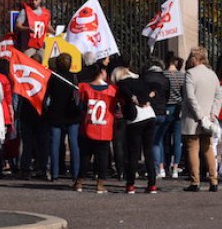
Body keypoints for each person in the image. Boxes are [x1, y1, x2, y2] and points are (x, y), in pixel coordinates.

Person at [181, 46, 222, 192]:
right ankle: (213, 180)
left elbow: (190, 96)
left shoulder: (190, 74)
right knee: (208, 148)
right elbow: (219, 96)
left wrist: (200, 116)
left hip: (193, 118)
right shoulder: (212, 74)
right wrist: (213, 113)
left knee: (192, 148)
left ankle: (195, 181)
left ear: (194, 58)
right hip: (209, 117)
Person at [114, 65, 158, 193]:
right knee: (148, 151)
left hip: (136, 118)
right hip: (150, 114)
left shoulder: (123, 84)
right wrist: (147, 99)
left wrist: (134, 100)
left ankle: (130, 184)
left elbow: (127, 95)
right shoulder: (140, 80)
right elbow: (154, 90)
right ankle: (152, 184)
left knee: (133, 152)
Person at [77, 64, 120, 193]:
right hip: (105, 128)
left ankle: (79, 182)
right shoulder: (113, 90)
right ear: (102, 72)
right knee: (102, 157)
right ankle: (100, 184)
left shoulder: (84, 88)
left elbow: (80, 104)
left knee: (85, 156)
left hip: (89, 126)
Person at [45, 53, 83, 183]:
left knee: (54, 144)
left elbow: (47, 97)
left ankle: (55, 173)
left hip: (56, 113)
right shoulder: (74, 77)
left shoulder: (53, 78)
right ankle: (76, 173)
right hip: (72, 114)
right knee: (74, 144)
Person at [141, 59, 172, 182]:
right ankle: (161, 167)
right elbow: (168, 96)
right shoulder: (165, 79)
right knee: (158, 141)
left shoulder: (145, 78)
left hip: (150, 112)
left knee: (151, 142)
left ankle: (154, 168)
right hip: (163, 112)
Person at [163, 54, 185, 181]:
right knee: (177, 139)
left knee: (165, 138)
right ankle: (176, 167)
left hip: (167, 107)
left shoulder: (164, 75)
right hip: (178, 108)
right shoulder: (182, 76)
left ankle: (166, 166)